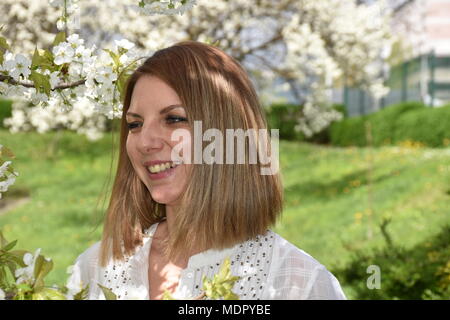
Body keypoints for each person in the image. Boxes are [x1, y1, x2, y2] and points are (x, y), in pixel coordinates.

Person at [67, 40, 346, 300]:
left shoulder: (299, 284)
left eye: (174, 119)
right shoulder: (95, 269)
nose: (146, 142)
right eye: (135, 124)